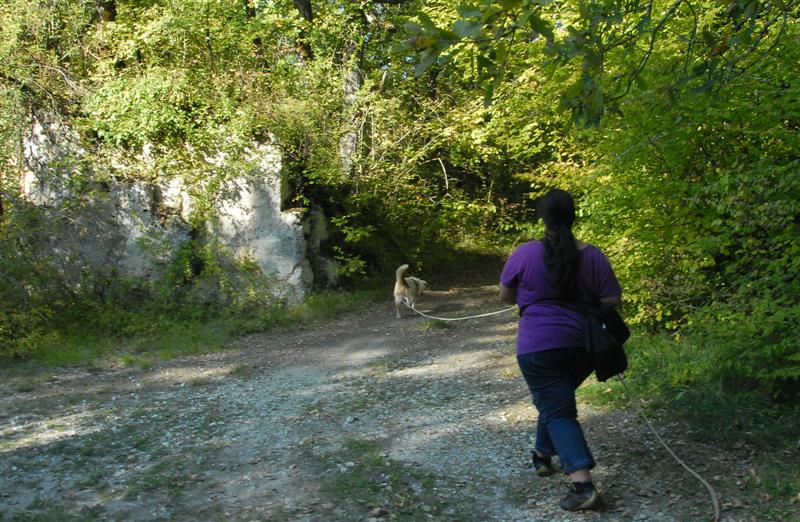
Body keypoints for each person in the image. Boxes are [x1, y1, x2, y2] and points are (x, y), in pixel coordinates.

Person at [499, 188, 622, 511]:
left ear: (543, 218)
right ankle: (542, 454)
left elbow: (506, 296)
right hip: (582, 346)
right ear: (573, 216)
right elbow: (612, 299)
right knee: (556, 401)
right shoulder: (593, 255)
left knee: (558, 410)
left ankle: (582, 486)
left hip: (538, 346)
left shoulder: (524, 253)